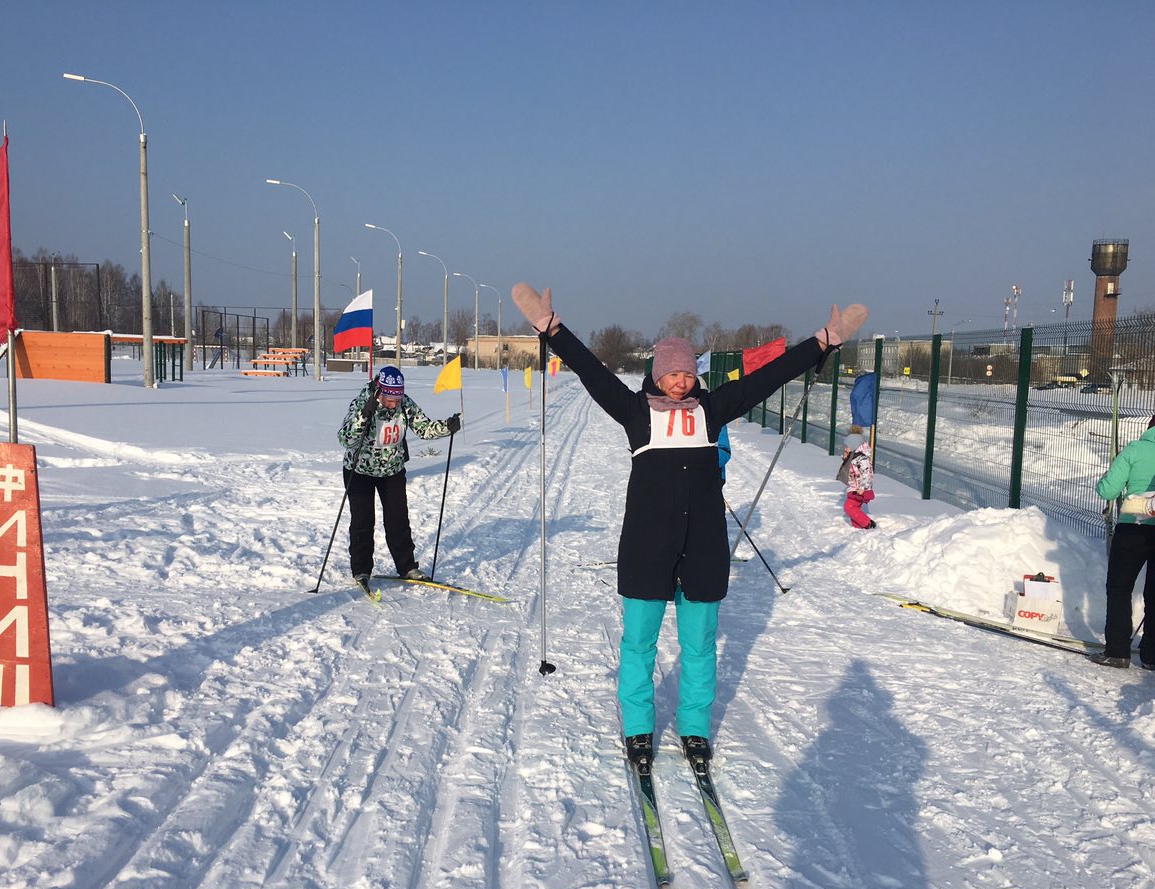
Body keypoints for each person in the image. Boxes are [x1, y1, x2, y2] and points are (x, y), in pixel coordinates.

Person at [512, 283, 867, 766]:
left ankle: (694, 726)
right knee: (639, 642)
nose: (679, 382)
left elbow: (768, 377)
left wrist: (821, 343)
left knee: (698, 645)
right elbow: (592, 372)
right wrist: (553, 330)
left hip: (702, 547)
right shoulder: (635, 412)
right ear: (657, 376)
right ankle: (638, 726)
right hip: (647, 546)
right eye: (671, 374)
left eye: (685, 373)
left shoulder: (712, 410)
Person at [336, 366, 460, 591]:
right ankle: (361, 570)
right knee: (363, 521)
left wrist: (446, 427)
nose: (394, 404)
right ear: (379, 392)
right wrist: (364, 415)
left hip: (392, 471)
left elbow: (424, 428)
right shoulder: (362, 402)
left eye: (397, 398)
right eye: (389, 399)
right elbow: (345, 439)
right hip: (359, 471)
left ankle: (407, 567)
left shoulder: (405, 404)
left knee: (398, 520)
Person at [1091, 416, 1155, 669]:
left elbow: (1108, 491)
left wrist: (1105, 478)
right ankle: (1154, 655)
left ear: (1150, 430)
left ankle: (1117, 651)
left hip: (1132, 529)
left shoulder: (1135, 449)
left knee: (1120, 588)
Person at [838, 426, 876, 529]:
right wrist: (845, 457)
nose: (845, 448)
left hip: (860, 489)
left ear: (854, 446)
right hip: (854, 488)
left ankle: (868, 524)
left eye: (848, 446)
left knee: (849, 507)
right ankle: (858, 528)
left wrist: (862, 488)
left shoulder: (862, 459)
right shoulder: (854, 458)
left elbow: (867, 474)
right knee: (855, 508)